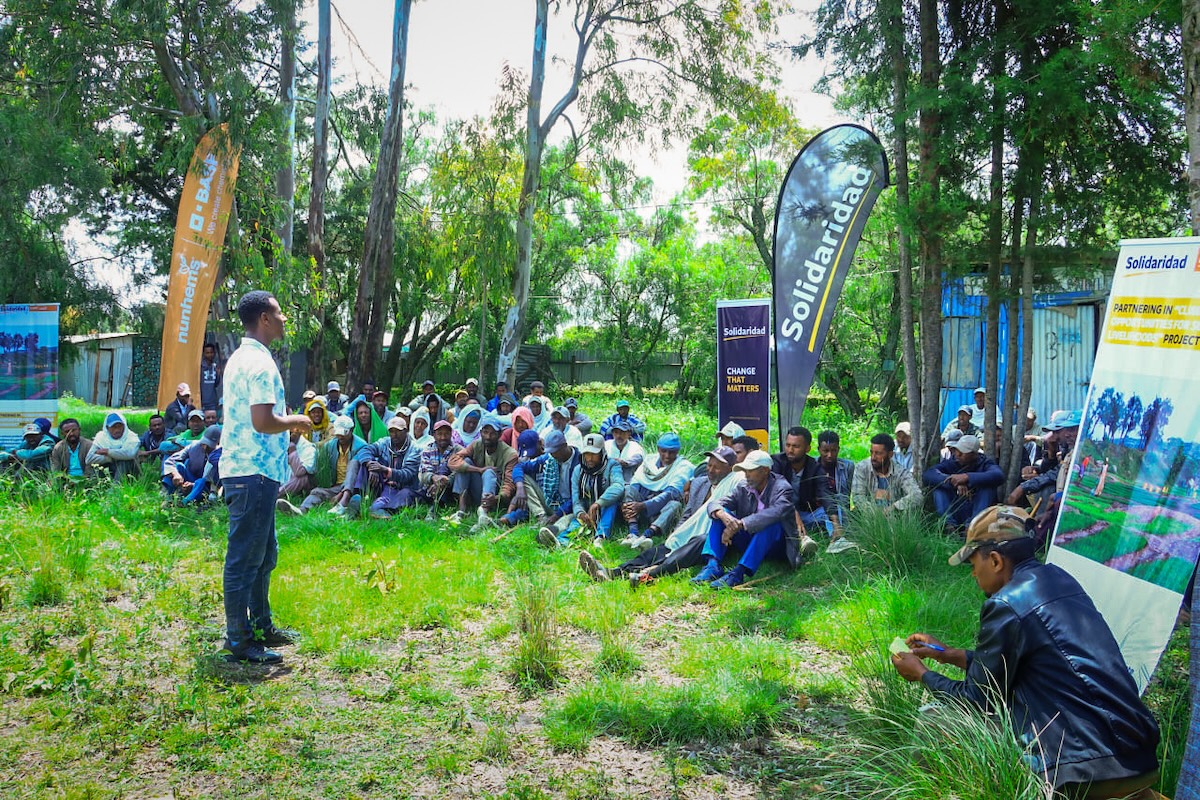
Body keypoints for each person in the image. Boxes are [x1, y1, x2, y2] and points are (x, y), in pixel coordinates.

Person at [891, 505, 1161, 798]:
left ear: (995, 560)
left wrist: (923, 675)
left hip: (1083, 771)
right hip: (1137, 758)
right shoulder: (1059, 579)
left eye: (973, 564)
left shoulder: (1006, 603)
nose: (973, 574)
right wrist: (947, 654)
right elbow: (1016, 668)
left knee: (935, 718)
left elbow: (977, 699)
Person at [218, 290, 313, 664]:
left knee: (263, 554)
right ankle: (239, 640)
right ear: (264, 319)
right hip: (252, 473)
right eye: (279, 313)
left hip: (254, 472)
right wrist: (296, 421)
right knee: (245, 559)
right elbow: (263, 421)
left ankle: (261, 625)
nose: (284, 319)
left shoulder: (242, 357)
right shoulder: (258, 363)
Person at [579, 445, 742, 586]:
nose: (711, 470)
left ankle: (648, 574)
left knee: (686, 548)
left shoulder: (735, 483)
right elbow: (689, 514)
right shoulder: (700, 483)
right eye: (709, 465)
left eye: (717, 467)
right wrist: (677, 534)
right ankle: (614, 572)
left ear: (730, 468)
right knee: (661, 549)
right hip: (690, 532)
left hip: (712, 539)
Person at [691, 450, 803, 590]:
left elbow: (776, 512)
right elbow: (716, 503)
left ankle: (739, 573)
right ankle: (713, 565)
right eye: (745, 470)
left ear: (765, 470)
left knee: (772, 524)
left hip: (777, 546)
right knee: (722, 514)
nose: (746, 474)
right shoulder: (743, 486)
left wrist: (741, 524)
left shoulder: (782, 487)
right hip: (750, 539)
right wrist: (722, 514)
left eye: (750, 470)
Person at [538, 432, 624, 548]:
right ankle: (562, 541)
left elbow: (618, 486)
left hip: (607, 510)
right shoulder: (579, 470)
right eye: (587, 454)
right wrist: (581, 513)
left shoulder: (612, 465)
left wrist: (599, 503)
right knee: (576, 522)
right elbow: (576, 498)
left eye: (594, 454)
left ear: (602, 453)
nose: (589, 458)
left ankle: (600, 537)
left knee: (612, 503)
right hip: (587, 508)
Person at [278, 414, 366, 516]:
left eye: (344, 433)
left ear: (352, 430)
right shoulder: (330, 445)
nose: (340, 436)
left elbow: (357, 475)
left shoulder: (361, 446)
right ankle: (301, 510)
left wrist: (341, 494)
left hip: (353, 488)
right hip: (335, 486)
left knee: (353, 466)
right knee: (317, 492)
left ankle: (343, 503)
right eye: (338, 433)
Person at [846, 433, 923, 549]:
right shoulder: (862, 467)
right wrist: (876, 514)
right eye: (871, 452)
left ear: (890, 454)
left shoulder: (900, 472)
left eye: (878, 453)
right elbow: (858, 497)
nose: (873, 457)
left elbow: (917, 495)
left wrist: (893, 508)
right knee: (851, 518)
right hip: (869, 516)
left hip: (894, 517)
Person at [620, 432, 693, 548]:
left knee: (675, 505)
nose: (667, 455)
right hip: (640, 508)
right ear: (658, 449)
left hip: (660, 511)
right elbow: (635, 484)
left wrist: (643, 505)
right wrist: (631, 505)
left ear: (677, 451)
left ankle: (647, 535)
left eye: (672, 452)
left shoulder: (683, 466)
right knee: (628, 489)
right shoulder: (649, 461)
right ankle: (633, 533)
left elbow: (670, 494)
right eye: (664, 451)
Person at [923, 433, 1005, 534]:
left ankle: (972, 527)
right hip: (956, 508)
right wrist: (953, 481)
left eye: (963, 452)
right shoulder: (951, 462)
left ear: (974, 454)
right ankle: (948, 526)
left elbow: (998, 475)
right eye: (957, 450)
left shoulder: (985, 463)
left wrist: (967, 477)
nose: (958, 454)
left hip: (976, 509)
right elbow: (929, 474)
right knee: (939, 487)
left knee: (988, 487)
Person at [447, 413, 517, 531]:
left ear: (499, 435)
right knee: (465, 462)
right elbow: (453, 461)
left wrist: (497, 498)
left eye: (492, 433)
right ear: (481, 433)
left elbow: (509, 484)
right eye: (485, 432)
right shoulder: (477, 444)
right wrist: (478, 469)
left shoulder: (510, 454)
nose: (488, 437)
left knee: (489, 472)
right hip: (479, 489)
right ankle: (461, 511)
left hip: (495, 494)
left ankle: (484, 513)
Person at [504, 430, 578, 530]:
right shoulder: (550, 458)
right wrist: (520, 489)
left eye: (555, 452)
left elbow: (577, 497)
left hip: (570, 507)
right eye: (551, 452)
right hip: (551, 501)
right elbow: (519, 467)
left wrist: (557, 514)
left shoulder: (578, 462)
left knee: (564, 522)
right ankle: (541, 516)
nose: (553, 455)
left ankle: (552, 528)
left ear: (564, 446)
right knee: (523, 477)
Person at [771, 426, 826, 551]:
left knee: (833, 511)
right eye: (788, 445)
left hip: (805, 515)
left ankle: (837, 540)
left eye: (795, 446)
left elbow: (826, 494)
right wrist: (794, 514)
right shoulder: (777, 462)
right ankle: (801, 539)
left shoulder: (815, 467)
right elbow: (777, 494)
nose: (790, 450)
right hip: (783, 513)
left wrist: (836, 523)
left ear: (807, 448)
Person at [357, 415, 421, 519]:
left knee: (405, 495)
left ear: (406, 431)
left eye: (398, 431)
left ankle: (387, 511)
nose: (394, 435)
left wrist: (385, 469)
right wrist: (370, 466)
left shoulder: (415, 448)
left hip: (404, 487)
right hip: (385, 485)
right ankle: (358, 497)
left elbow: (407, 474)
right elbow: (365, 450)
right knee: (363, 465)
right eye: (391, 431)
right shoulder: (385, 442)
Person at [162, 425, 221, 500]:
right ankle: (168, 496)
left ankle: (185, 502)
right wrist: (175, 474)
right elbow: (171, 460)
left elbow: (213, 482)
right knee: (177, 466)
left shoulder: (220, 455)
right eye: (204, 443)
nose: (205, 447)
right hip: (190, 477)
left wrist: (193, 485)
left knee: (201, 482)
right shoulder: (194, 446)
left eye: (209, 445)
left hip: (206, 486)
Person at [86, 411, 141, 481]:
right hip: (108, 468)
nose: (117, 430)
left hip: (129, 473)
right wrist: (110, 458)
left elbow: (130, 453)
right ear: (107, 428)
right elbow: (89, 459)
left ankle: (117, 486)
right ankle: (100, 484)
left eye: (119, 426)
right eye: (114, 427)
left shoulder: (131, 437)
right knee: (98, 466)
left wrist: (107, 452)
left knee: (124, 461)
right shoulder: (101, 438)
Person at [816, 430, 853, 533]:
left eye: (833, 450)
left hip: (840, 507)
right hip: (818, 508)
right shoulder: (812, 466)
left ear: (838, 449)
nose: (830, 455)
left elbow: (846, 494)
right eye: (825, 451)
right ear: (819, 449)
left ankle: (837, 534)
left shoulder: (847, 467)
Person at [418, 419, 458, 509]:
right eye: (439, 434)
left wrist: (444, 481)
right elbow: (424, 472)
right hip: (430, 487)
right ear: (434, 435)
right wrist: (434, 478)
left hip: (449, 488)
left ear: (451, 434)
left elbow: (457, 472)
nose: (443, 437)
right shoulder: (427, 450)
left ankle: (435, 508)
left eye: (446, 434)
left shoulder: (457, 449)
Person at [278, 427, 316, 499]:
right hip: (283, 479)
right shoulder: (281, 444)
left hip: (299, 483)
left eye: (293, 431)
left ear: (300, 431)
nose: (290, 433)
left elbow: (300, 472)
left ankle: (277, 494)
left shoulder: (309, 448)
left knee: (303, 479)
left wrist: (292, 452)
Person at [199, 342, 223, 413]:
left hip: (213, 402)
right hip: (202, 402)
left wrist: (218, 374)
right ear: (204, 354)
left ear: (214, 353)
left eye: (211, 352)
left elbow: (216, 384)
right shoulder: (200, 367)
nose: (209, 355)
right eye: (207, 353)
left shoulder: (215, 367)